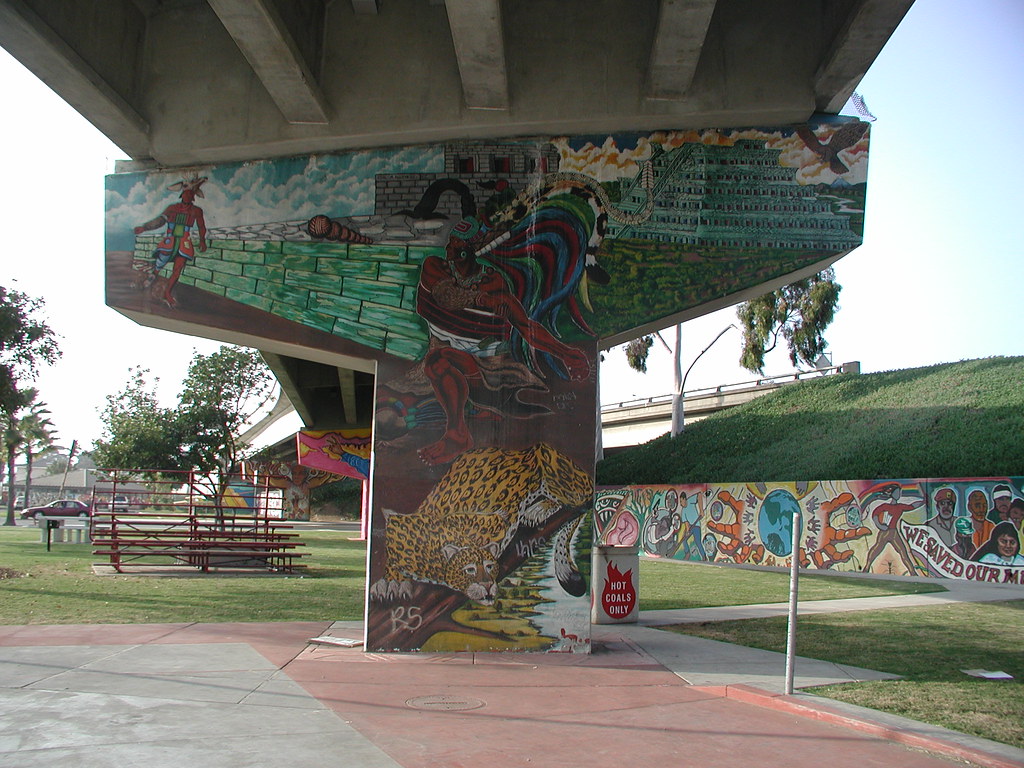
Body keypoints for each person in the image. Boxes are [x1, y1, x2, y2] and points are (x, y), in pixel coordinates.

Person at [134, 176, 208, 307]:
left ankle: (167, 292)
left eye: (190, 193)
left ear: (193, 196)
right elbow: (160, 220)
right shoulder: (172, 208)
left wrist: (202, 240)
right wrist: (145, 227)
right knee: (160, 263)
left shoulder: (196, 211)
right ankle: (151, 278)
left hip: (184, 242)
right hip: (170, 240)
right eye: (185, 192)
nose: (187, 195)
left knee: (178, 269)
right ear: (182, 194)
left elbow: (202, 226)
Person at [861, 483, 923, 575]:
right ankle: (866, 567)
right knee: (876, 550)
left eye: (899, 492)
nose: (899, 494)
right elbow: (875, 514)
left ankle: (912, 572)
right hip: (885, 532)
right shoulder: (885, 506)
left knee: (903, 552)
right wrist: (880, 525)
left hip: (894, 533)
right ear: (892, 494)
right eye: (897, 492)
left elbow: (912, 506)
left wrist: (923, 502)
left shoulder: (900, 507)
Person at [967, 489, 995, 553]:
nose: (982, 509)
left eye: (984, 506)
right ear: (969, 507)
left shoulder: (991, 526)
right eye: (977, 505)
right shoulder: (965, 525)